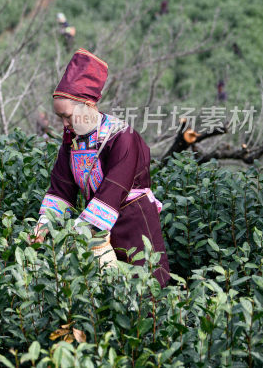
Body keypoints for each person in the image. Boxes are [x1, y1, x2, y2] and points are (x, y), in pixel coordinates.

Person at [32, 49, 171, 287]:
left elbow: (114, 189)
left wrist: (84, 230)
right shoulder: (71, 140)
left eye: (67, 116)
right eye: (60, 118)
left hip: (134, 225)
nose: (64, 124)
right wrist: (45, 222)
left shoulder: (122, 137)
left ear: (87, 105)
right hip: (98, 229)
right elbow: (61, 187)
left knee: (144, 292)